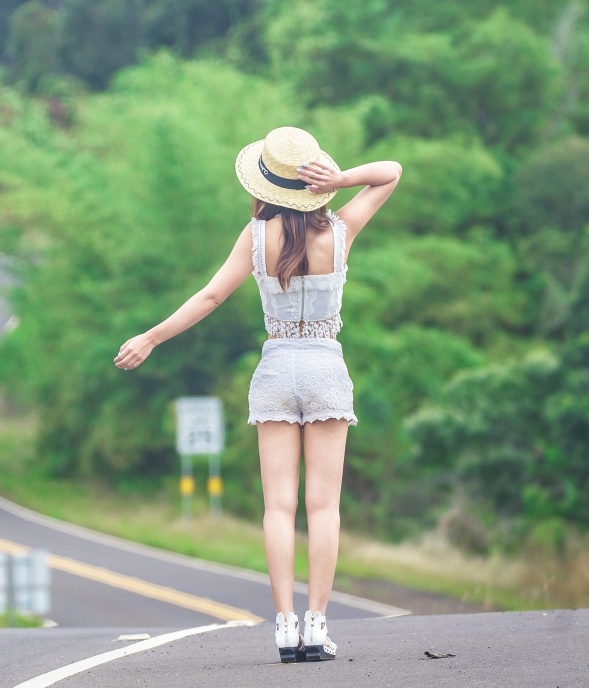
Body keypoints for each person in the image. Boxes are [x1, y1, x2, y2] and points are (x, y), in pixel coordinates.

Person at [114, 126, 400, 663]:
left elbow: (211, 295)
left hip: (275, 369)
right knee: (323, 507)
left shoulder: (254, 236)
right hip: (324, 366)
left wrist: (150, 337)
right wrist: (342, 179)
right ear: (313, 185)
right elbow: (391, 172)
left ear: (264, 186)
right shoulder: (339, 231)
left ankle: (284, 625)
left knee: (277, 507)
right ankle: (317, 625)